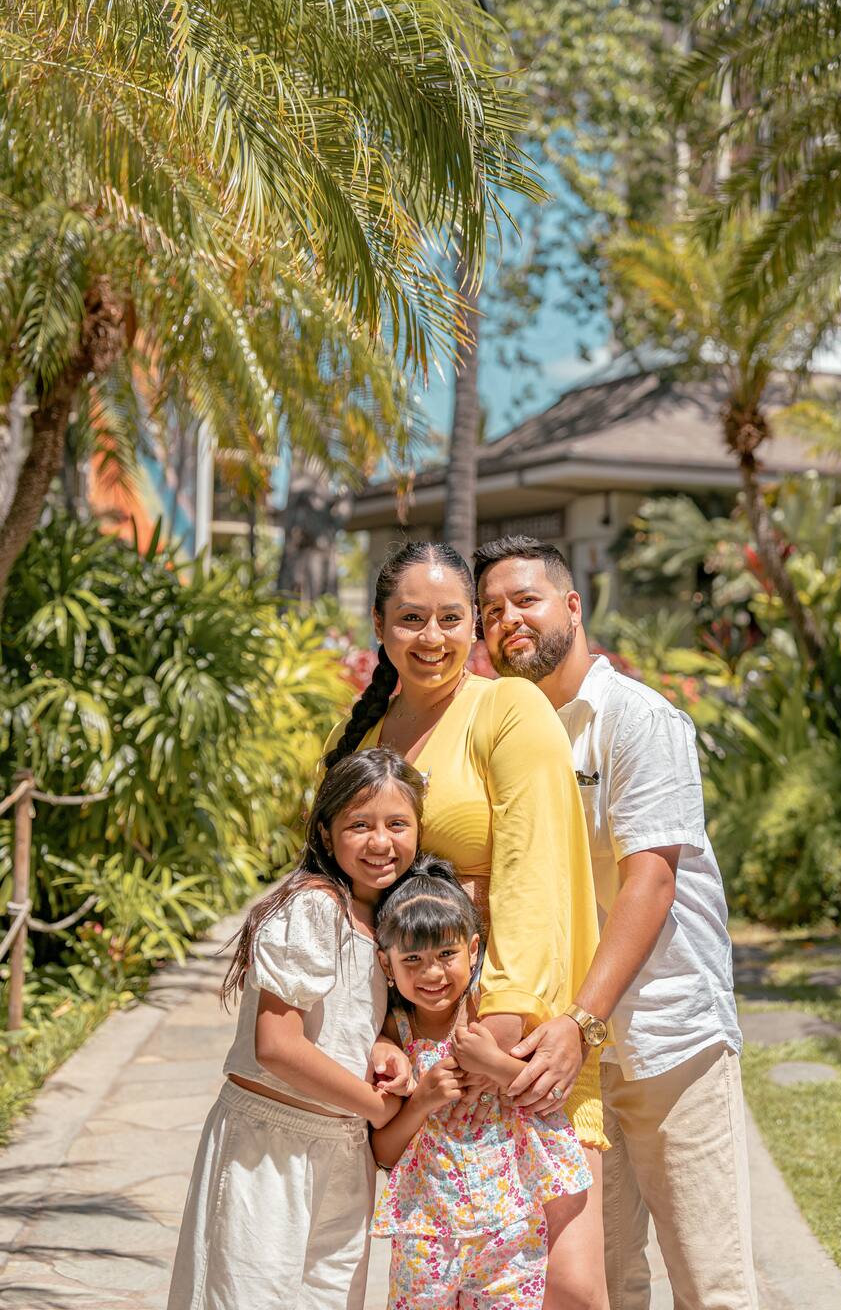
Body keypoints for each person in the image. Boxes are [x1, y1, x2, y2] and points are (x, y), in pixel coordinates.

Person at [474, 536, 759, 1310]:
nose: (508, 621)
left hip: (668, 1041)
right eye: (491, 611)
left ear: (573, 605)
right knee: (600, 1282)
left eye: (525, 600)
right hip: (562, 1062)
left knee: (712, 1280)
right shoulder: (502, 729)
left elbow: (651, 881)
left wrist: (581, 1022)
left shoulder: (635, 717)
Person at [324, 540, 609, 1310]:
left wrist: (504, 1024)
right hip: (416, 1040)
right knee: (445, 1277)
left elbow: (536, 868)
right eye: (411, 618)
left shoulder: (506, 706)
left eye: (452, 617)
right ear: (379, 625)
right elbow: (352, 892)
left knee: (567, 1286)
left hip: (512, 1037)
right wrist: (383, 1028)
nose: (433, 636)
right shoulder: (367, 735)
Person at [167, 748, 422, 1310]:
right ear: (328, 835)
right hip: (269, 1148)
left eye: (397, 824)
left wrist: (383, 1048)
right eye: (360, 825)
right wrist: (379, 1109)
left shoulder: (379, 917)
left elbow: (345, 1017)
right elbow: (278, 1046)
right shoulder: (314, 907)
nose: (381, 842)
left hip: (341, 1149)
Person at [370, 855, 593, 1309]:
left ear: (474, 951)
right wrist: (421, 1101)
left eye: (446, 954)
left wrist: (493, 1063)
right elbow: (384, 1152)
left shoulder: (494, 1019)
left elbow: (547, 1096)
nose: (431, 973)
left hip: (509, 1229)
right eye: (412, 958)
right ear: (386, 964)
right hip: (425, 1231)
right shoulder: (396, 1036)